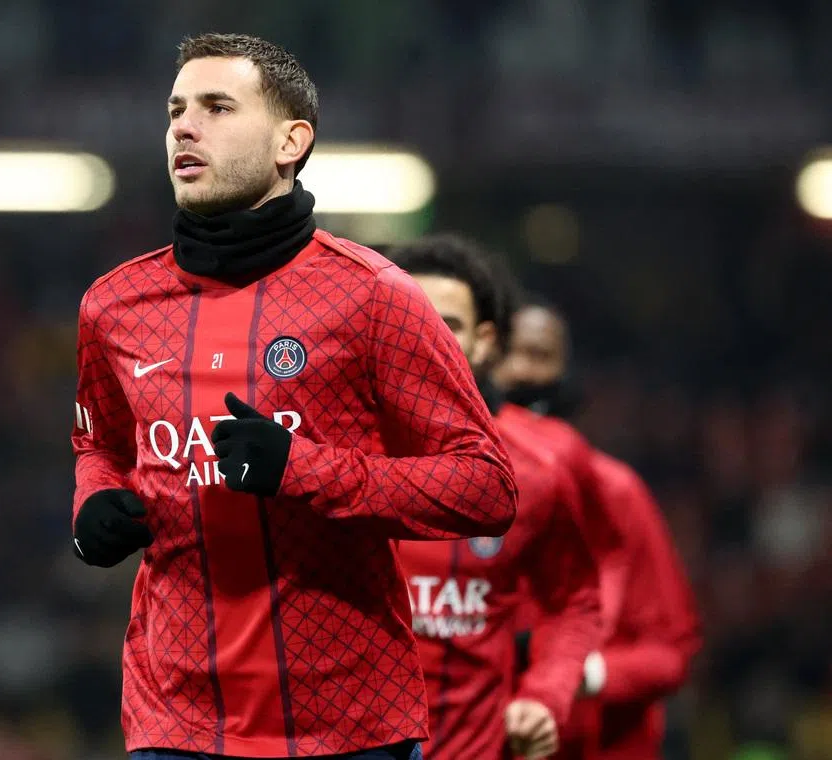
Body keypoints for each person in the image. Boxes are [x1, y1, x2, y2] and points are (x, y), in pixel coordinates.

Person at [70, 34, 519, 760]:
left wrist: (304, 470)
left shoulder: (374, 297)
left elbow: (487, 487)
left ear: (291, 140)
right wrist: (93, 504)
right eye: (177, 109)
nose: (185, 126)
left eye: (218, 107)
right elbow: (100, 444)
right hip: (174, 721)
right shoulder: (114, 306)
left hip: (348, 727)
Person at [389, 235, 603, 760]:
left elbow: (574, 602)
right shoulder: (327, 458)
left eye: (449, 324)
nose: (427, 337)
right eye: (408, 318)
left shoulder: (535, 473)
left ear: (485, 342)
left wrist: (545, 695)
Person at [494, 300, 702, 760]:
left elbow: (671, 651)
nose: (522, 371)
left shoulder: (615, 492)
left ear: (568, 372)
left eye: (540, 354)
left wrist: (582, 674)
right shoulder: (449, 489)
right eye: (508, 352)